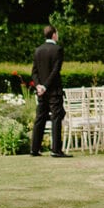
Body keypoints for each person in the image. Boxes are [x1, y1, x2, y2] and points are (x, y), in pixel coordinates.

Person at [31, 26, 70, 157]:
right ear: (53, 34)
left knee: (40, 118)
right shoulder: (58, 49)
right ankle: (56, 149)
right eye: (57, 33)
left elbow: (34, 72)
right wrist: (45, 86)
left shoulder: (38, 50)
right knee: (56, 118)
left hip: (42, 91)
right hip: (53, 91)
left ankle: (34, 149)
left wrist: (38, 86)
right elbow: (55, 71)